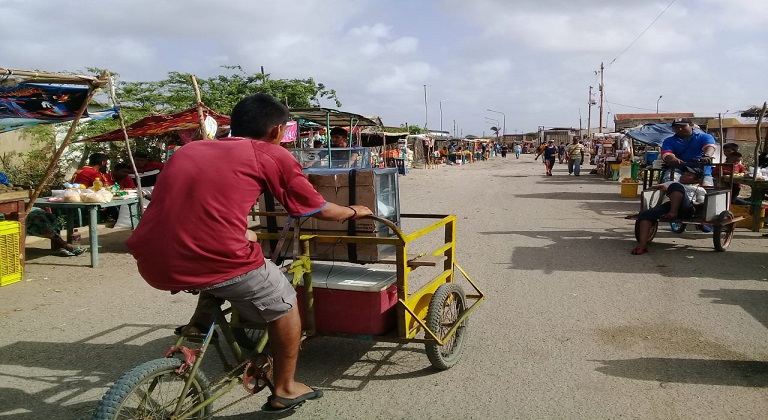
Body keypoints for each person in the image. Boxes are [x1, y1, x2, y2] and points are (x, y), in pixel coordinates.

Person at [126, 93, 373, 413]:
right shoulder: (270, 153)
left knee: (237, 247)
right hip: (215, 258)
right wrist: (355, 210)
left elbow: (191, 207)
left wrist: (242, 230)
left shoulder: (190, 149)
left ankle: (201, 322)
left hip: (151, 257)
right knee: (285, 302)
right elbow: (319, 210)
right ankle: (285, 388)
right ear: (277, 131)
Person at [632, 171, 706, 255]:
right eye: (684, 174)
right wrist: (661, 187)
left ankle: (673, 212)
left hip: (686, 208)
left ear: (696, 180)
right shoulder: (671, 183)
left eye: (689, 175)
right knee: (645, 215)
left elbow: (702, 205)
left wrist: (692, 202)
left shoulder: (700, 189)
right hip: (667, 205)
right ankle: (642, 245)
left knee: (676, 187)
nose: (684, 176)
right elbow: (649, 189)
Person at [661, 118, 717, 186]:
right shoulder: (668, 140)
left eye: (683, 126)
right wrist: (672, 158)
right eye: (676, 127)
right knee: (668, 183)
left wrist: (707, 156)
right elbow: (667, 153)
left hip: (701, 170)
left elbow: (710, 147)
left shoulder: (704, 137)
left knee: (707, 186)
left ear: (692, 126)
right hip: (678, 169)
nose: (680, 129)